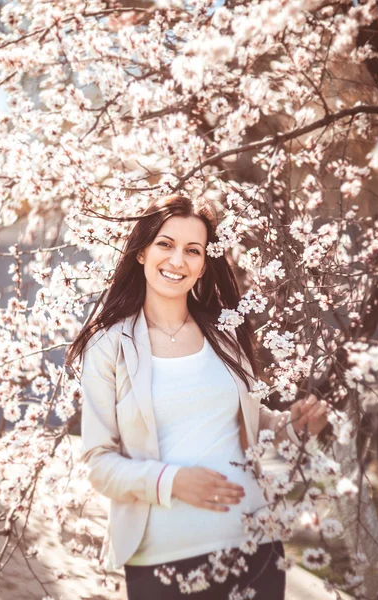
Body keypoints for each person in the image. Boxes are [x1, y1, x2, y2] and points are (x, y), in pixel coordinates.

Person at [65, 194, 328, 600]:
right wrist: (172, 481)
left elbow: (251, 434)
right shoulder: (109, 345)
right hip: (162, 558)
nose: (177, 261)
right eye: (165, 244)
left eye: (193, 250)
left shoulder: (226, 335)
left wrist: (293, 430)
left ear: (205, 262)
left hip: (255, 545)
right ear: (141, 252)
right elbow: (99, 464)